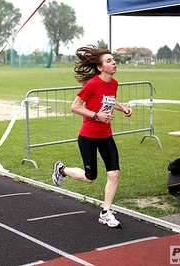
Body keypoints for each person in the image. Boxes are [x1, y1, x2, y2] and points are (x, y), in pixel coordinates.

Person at [52, 45, 133, 228]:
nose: (114, 63)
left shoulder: (114, 83)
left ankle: (106, 212)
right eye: (109, 61)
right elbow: (75, 107)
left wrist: (122, 108)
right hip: (88, 136)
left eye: (113, 59)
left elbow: (110, 99)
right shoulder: (91, 84)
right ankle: (61, 170)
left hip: (106, 135)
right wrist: (97, 116)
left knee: (114, 173)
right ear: (100, 67)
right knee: (90, 178)